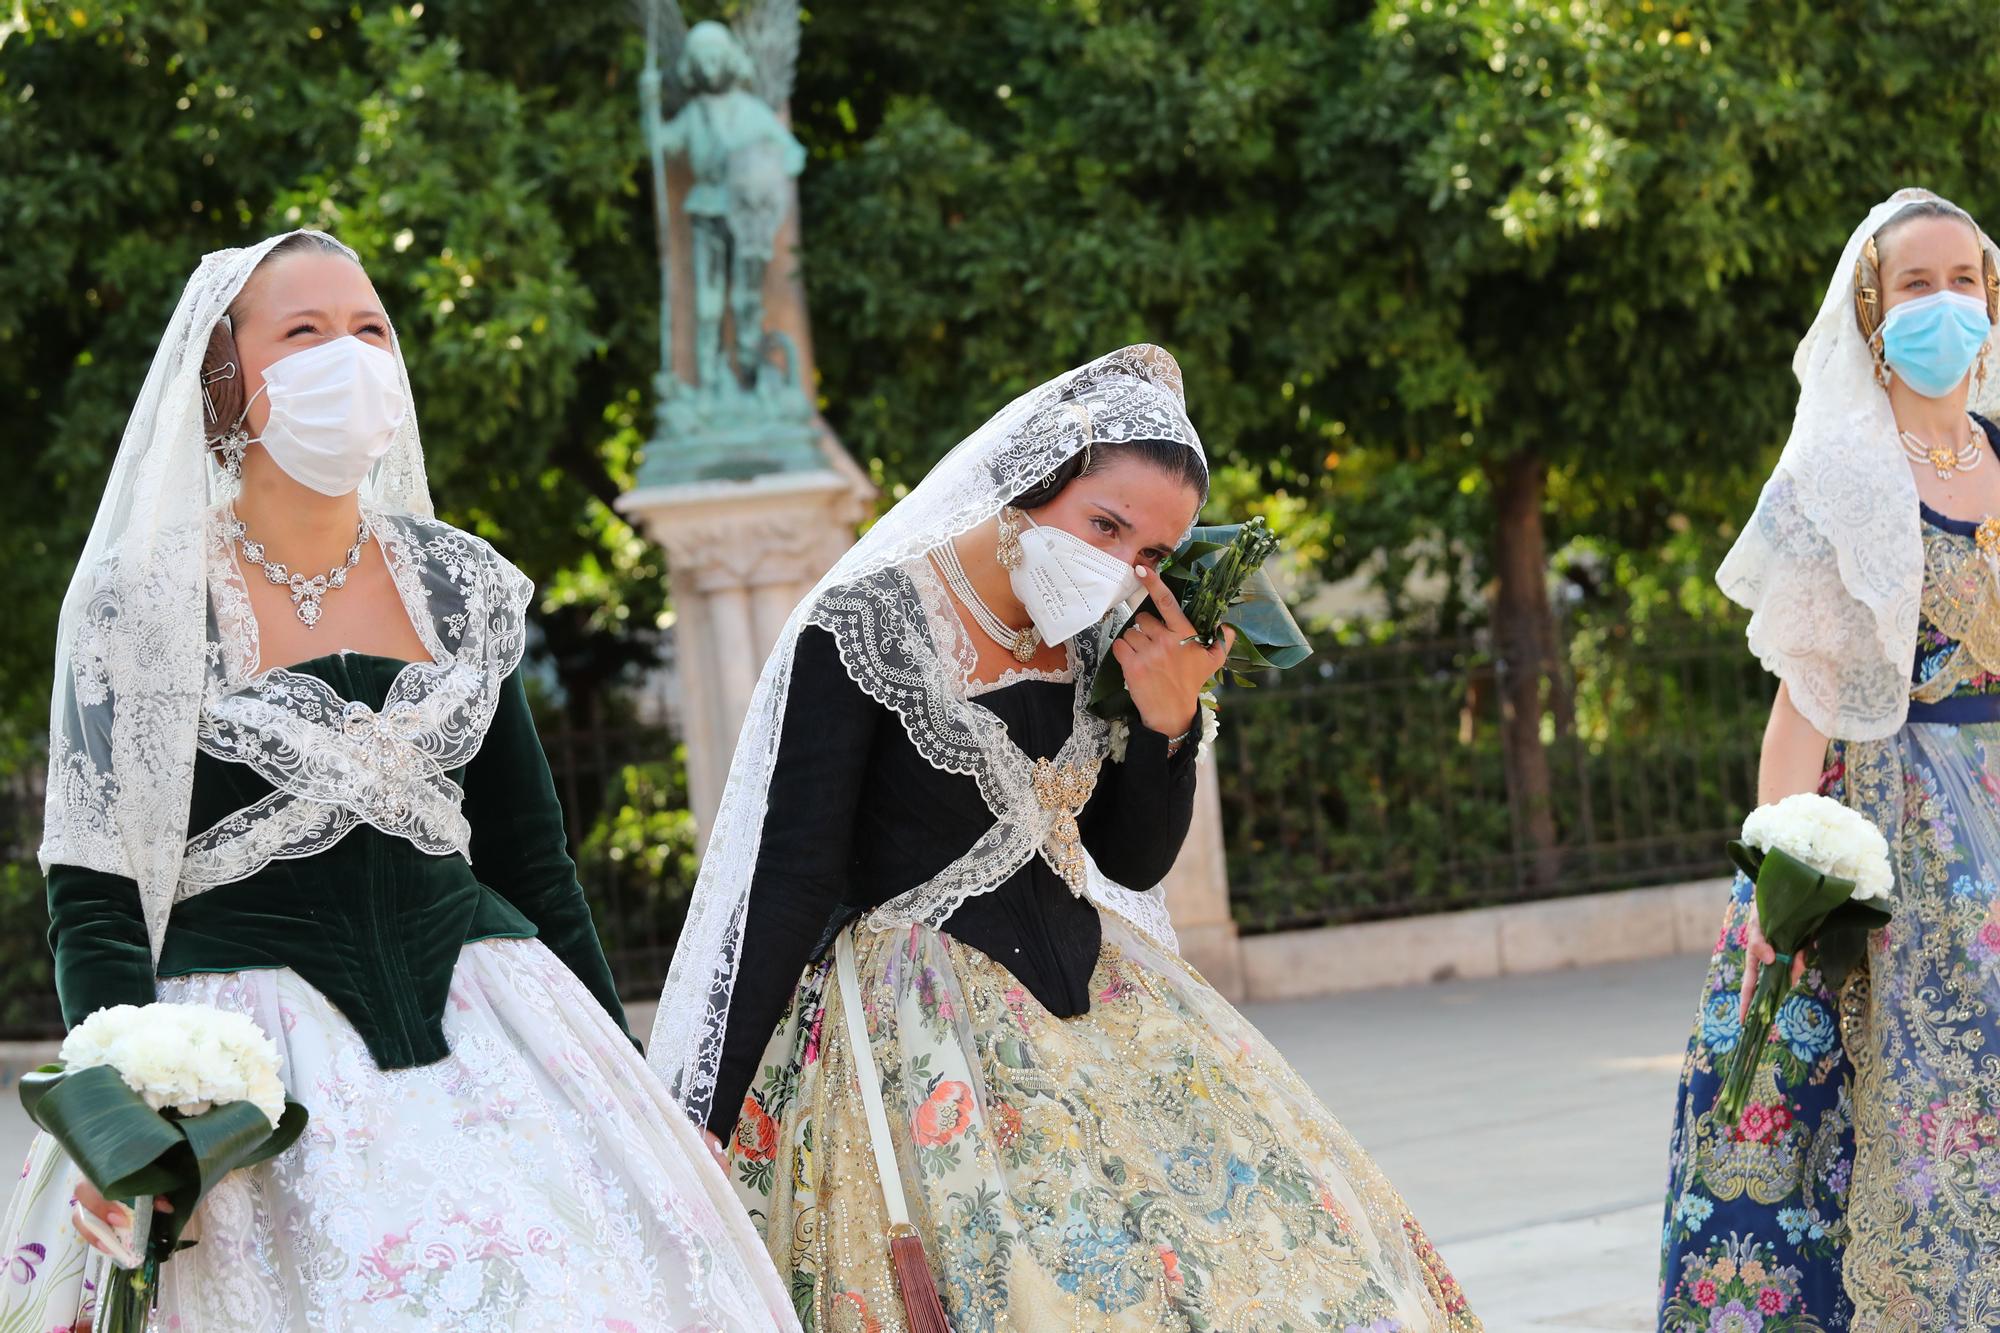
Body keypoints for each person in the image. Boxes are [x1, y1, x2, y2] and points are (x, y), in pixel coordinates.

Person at [0, 230, 798, 1331]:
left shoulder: (459, 585)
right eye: (306, 331)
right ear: (228, 380)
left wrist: (624, 1084)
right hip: (249, 1069)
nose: (354, 355)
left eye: (371, 328)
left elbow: (532, 859)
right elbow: (91, 894)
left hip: (499, 1027)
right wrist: (123, 1128)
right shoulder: (141, 602)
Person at [648, 345, 1481, 1331]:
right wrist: (700, 1116)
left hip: (1104, 995)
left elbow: (1127, 859)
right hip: (916, 1033)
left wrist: (1170, 723)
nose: (1122, 566)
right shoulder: (863, 625)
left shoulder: (1098, 634)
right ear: (1030, 486)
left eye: (1151, 553)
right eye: (1104, 524)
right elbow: (789, 878)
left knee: (1277, 1263)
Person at [1658, 188, 2000, 1330]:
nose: (1943, 304)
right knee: (1864, 1111)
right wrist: (1782, 883)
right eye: (1915, 284)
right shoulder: (1840, 480)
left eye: (1963, 281)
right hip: (1893, 825)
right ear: (1868, 311)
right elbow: (1800, 704)